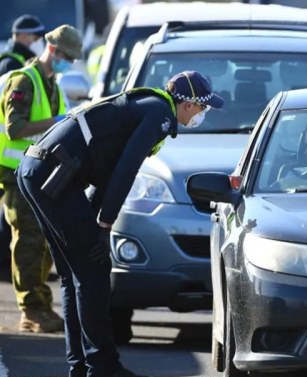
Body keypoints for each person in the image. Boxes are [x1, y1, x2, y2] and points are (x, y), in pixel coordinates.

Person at [16, 71, 223, 377]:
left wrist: (98, 220)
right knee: (93, 272)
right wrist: (104, 225)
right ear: (189, 104)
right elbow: (125, 171)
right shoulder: (160, 114)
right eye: (203, 108)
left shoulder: (149, 105)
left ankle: (83, 366)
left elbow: (108, 170)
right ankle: (102, 367)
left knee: (77, 273)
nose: (202, 115)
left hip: (39, 171)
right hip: (53, 177)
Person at [0, 24, 82, 333]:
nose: (69, 64)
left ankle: (40, 305)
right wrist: (59, 122)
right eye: (68, 58)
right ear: (54, 51)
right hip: (15, 173)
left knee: (45, 243)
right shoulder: (25, 80)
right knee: (29, 241)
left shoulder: (52, 83)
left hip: (38, 174)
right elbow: (14, 129)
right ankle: (32, 310)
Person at [0, 14, 46, 280]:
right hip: (8, 158)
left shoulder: (13, 63)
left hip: (10, 158)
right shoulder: (12, 66)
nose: (39, 43)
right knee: (14, 222)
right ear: (26, 37)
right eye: (38, 38)